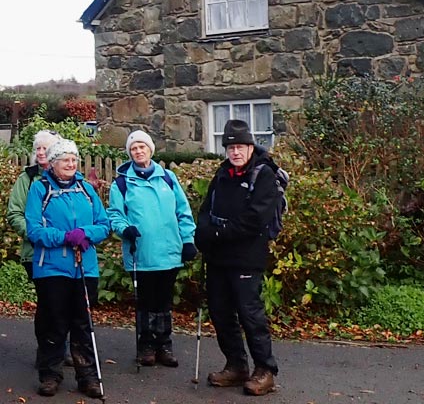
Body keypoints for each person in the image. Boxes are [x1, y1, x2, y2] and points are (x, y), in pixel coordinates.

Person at [195, 119, 279, 396]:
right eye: (230, 147)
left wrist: (217, 235)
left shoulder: (263, 174)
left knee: (250, 315)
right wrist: (202, 232)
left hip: (246, 258)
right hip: (218, 259)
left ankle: (265, 370)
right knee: (221, 314)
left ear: (251, 147)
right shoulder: (222, 175)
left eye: (240, 146)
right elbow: (206, 209)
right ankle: (236, 365)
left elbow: (255, 219)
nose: (235, 152)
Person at [25, 139, 110, 398]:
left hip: (85, 267)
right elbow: (34, 230)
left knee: (83, 323)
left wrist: (85, 232)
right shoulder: (40, 189)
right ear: (53, 164)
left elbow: (104, 224)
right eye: (65, 160)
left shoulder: (85, 188)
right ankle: (50, 374)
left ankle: (88, 378)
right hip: (52, 268)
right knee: (55, 322)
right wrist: (65, 237)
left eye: (74, 159)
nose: (71, 164)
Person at [107, 130, 197, 368]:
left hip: (169, 252)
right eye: (134, 148)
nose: (138, 151)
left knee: (164, 302)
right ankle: (146, 345)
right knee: (145, 302)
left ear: (150, 150)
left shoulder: (168, 178)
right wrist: (125, 229)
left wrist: (188, 240)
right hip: (141, 252)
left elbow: (183, 211)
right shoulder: (122, 183)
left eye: (142, 147)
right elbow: (115, 214)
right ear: (129, 153)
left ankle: (164, 345)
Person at [7, 129, 62, 279]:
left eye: (45, 148)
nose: (41, 152)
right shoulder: (27, 179)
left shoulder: (66, 178)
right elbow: (14, 213)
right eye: (38, 148)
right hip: (34, 252)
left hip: (64, 252)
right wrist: (35, 235)